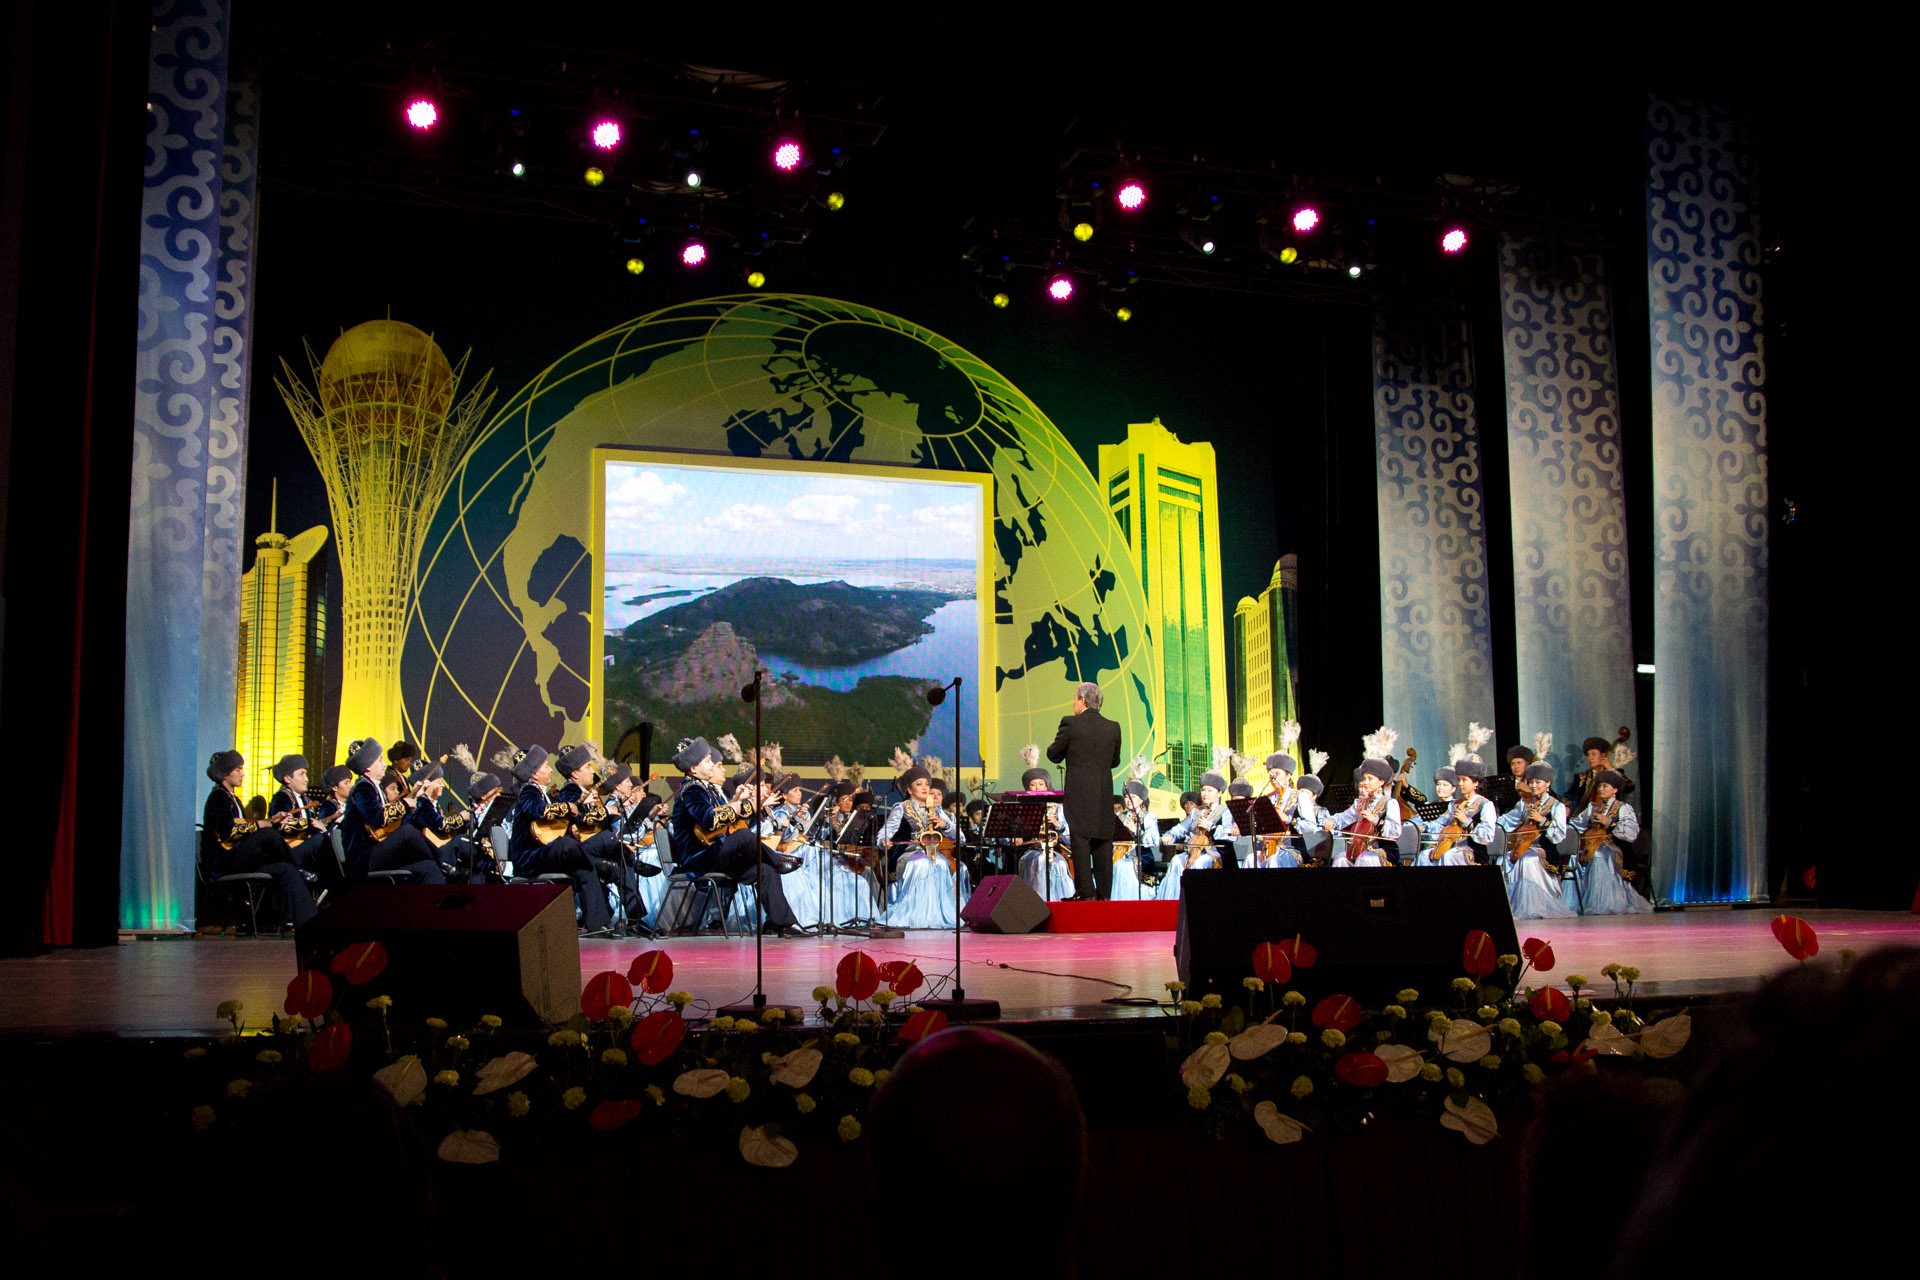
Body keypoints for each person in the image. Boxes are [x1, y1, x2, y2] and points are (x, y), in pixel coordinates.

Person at [667, 736, 804, 937]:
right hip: (699, 858)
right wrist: (748, 805)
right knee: (742, 835)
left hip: (714, 855)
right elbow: (709, 820)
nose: (712, 764)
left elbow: (721, 821)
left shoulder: (705, 789)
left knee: (764, 871)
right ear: (694, 769)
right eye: (707, 761)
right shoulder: (692, 789)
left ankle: (784, 924)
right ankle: (777, 860)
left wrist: (737, 802)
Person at [201, 750, 318, 928]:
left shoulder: (234, 799)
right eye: (238, 769)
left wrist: (271, 820)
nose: (243, 773)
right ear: (226, 774)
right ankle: (298, 864)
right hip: (223, 862)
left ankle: (310, 923)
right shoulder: (218, 797)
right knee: (269, 834)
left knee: (287, 869)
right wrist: (260, 825)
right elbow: (228, 831)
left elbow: (246, 825)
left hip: (241, 859)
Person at [505, 744, 612, 933]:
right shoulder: (528, 791)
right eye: (546, 765)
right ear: (535, 774)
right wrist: (566, 807)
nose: (550, 769)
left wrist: (570, 809)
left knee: (584, 868)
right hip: (528, 857)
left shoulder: (542, 793)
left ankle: (596, 923)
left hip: (541, 854)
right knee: (567, 845)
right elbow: (539, 810)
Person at [1047, 681, 1123, 901]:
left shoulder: (1071, 723)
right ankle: (1104, 896)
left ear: (1081, 700)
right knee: (1102, 839)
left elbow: (1054, 754)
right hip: (1102, 792)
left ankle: (1086, 893)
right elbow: (1115, 761)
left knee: (1080, 839)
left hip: (1079, 791)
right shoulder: (1113, 726)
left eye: (1074, 698)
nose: (1073, 703)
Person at [337, 737, 446, 885]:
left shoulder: (375, 787)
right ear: (368, 766)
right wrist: (406, 803)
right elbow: (377, 818)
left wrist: (414, 796)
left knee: (428, 867)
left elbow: (392, 820)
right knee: (407, 832)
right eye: (380, 760)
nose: (384, 764)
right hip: (362, 860)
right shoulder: (362, 788)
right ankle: (444, 862)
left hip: (377, 852)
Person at [880, 765, 967, 928]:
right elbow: (886, 831)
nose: (925, 787)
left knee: (941, 863)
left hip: (933, 853)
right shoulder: (902, 807)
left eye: (927, 783)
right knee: (922, 864)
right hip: (908, 854)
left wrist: (945, 826)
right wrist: (884, 840)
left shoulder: (937, 809)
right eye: (919, 784)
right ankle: (914, 914)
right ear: (910, 790)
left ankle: (936, 915)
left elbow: (961, 839)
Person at [1566, 769, 1653, 914]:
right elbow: (1578, 824)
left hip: (1615, 845)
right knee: (1575, 856)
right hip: (1593, 845)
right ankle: (1573, 903)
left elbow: (1631, 833)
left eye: (1605, 786)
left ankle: (1603, 903)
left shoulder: (1623, 808)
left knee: (1599, 855)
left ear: (1615, 789)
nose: (1601, 789)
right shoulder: (1592, 807)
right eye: (1599, 786)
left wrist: (1610, 823)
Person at [1497, 761, 1576, 919]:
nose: (1533, 786)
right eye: (1531, 782)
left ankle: (1535, 905)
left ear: (1548, 783)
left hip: (1545, 850)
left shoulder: (1556, 806)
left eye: (1538, 782)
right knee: (1502, 860)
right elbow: (1509, 820)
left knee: (1527, 860)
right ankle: (1509, 906)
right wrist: (1494, 820)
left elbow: (1559, 835)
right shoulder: (1524, 804)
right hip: (1524, 846)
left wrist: (1543, 821)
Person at [1155, 771, 1236, 898]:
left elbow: (1230, 834)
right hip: (1194, 852)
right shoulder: (1195, 812)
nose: (1205, 793)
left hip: (1214, 853)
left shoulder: (1225, 811)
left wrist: (1210, 827)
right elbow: (1180, 828)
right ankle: (1174, 901)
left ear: (1219, 793)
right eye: (1203, 790)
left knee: (1199, 864)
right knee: (1176, 860)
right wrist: (1170, 835)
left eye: (1210, 790)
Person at [1012, 760, 1075, 901]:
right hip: (1030, 851)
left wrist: (1058, 824)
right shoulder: (1022, 808)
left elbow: (1070, 839)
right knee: (1039, 860)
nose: (1037, 788)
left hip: (1055, 851)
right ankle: (1037, 904)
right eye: (1033, 785)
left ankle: (1061, 902)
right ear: (1027, 788)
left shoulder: (1058, 808)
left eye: (1041, 784)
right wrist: (1016, 836)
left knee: (1058, 864)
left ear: (1047, 786)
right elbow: (1008, 837)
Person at [1418, 759, 1499, 866]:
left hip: (1472, 850)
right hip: (1449, 845)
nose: (1460, 784)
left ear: (1475, 782)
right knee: (1424, 855)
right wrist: (1424, 827)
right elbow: (1440, 823)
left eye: (1464, 780)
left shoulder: (1485, 804)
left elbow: (1488, 835)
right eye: (1459, 780)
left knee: (1449, 856)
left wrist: (1467, 822)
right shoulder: (1454, 804)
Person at [1324, 757, 1403, 867]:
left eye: (1370, 779)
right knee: (1340, 858)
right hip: (1360, 849)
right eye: (1364, 778)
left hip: (1384, 850)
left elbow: (1395, 832)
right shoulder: (1360, 803)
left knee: (1365, 859)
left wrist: (1375, 820)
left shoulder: (1390, 803)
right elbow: (1344, 817)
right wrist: (1332, 820)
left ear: (1381, 782)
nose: (1365, 782)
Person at [1111, 779, 1157, 899]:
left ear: (1141, 799)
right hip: (1119, 855)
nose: (1128, 800)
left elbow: (1154, 839)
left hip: (1140, 858)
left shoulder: (1148, 817)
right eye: (1126, 796)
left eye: (1133, 797)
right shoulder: (1119, 816)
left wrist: (1137, 831)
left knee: (1122, 865)